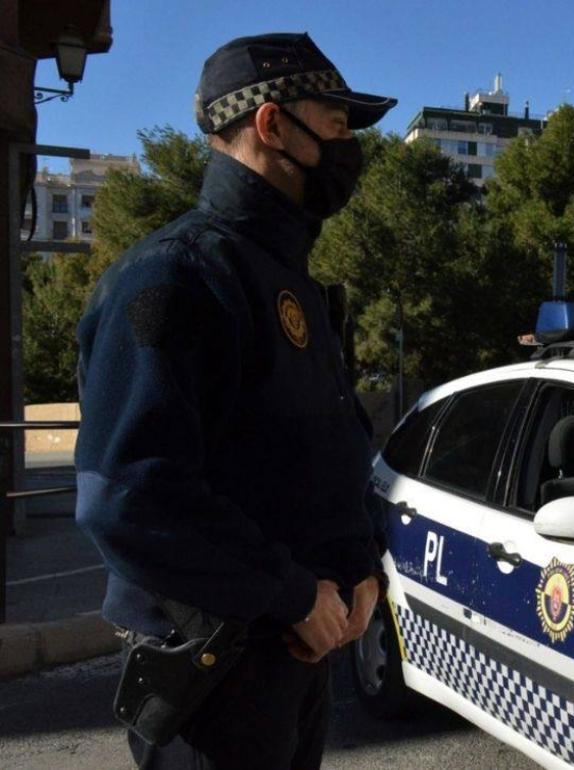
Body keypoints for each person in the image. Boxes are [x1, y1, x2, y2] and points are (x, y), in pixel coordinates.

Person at [75, 33, 397, 769]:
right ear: (271, 124)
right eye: (337, 122)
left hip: (300, 657)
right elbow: (126, 495)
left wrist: (359, 570)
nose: (350, 148)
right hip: (217, 677)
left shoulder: (289, 282)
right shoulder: (173, 278)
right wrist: (288, 593)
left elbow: (315, 455)